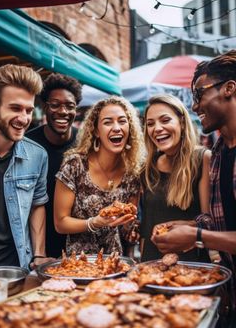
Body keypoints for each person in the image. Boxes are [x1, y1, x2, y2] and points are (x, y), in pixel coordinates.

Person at [152, 50, 236, 262]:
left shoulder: (207, 155)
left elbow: (209, 236)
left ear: (229, 88)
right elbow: (222, 222)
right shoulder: (219, 153)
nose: (194, 105)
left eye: (199, 94)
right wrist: (189, 226)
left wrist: (198, 236)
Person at [54, 96, 145, 256]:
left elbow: (127, 227)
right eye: (108, 122)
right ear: (95, 130)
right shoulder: (75, 164)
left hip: (114, 262)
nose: (116, 127)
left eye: (122, 121)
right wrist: (94, 222)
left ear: (130, 128)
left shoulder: (133, 171)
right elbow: (60, 223)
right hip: (78, 263)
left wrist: (132, 228)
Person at [141, 94, 211, 262]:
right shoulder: (148, 166)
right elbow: (146, 226)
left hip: (192, 264)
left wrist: (186, 226)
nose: (157, 128)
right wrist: (141, 263)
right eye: (150, 124)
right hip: (151, 263)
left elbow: (210, 221)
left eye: (165, 120)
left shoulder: (202, 158)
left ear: (181, 121)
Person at [0, 64, 48, 269]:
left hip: (16, 269)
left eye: (28, 110)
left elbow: (37, 204)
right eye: (15, 108)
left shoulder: (37, 155)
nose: (24, 118)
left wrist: (38, 255)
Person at [27, 73, 82, 258]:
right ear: (44, 107)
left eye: (69, 106)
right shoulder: (27, 144)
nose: (63, 111)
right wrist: (38, 253)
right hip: (37, 246)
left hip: (78, 242)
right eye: (55, 105)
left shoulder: (85, 143)